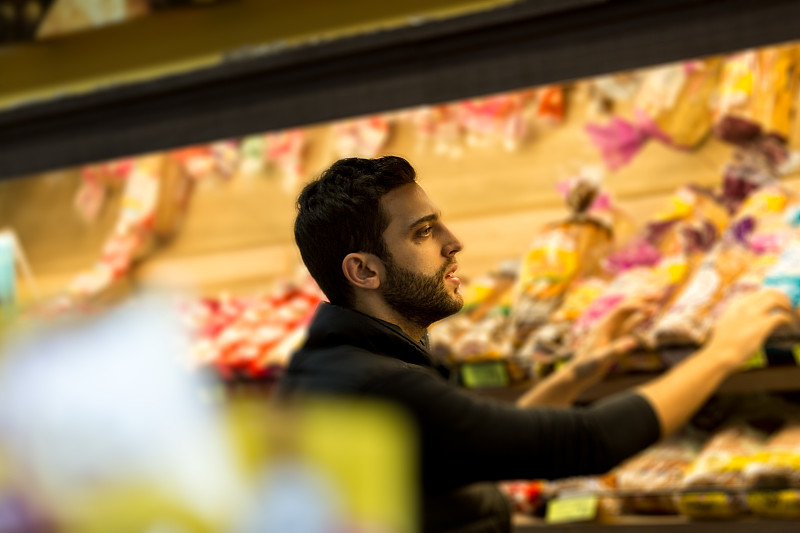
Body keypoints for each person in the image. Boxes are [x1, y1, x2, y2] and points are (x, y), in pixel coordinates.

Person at [278, 155, 793, 532]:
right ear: (364, 270)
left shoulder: (339, 369)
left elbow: (493, 445)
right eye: (424, 232)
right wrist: (721, 354)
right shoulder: (380, 388)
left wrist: (576, 375)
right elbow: (589, 441)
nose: (454, 242)